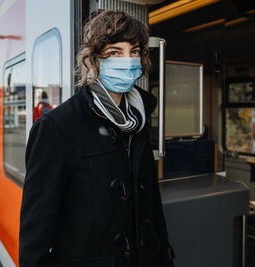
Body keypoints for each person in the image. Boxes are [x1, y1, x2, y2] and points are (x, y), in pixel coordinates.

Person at [19, 10, 174, 267]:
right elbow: (34, 239)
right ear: (94, 61)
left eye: (134, 51)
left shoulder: (140, 120)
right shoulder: (56, 128)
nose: (127, 60)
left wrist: (165, 257)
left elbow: (152, 207)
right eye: (115, 52)